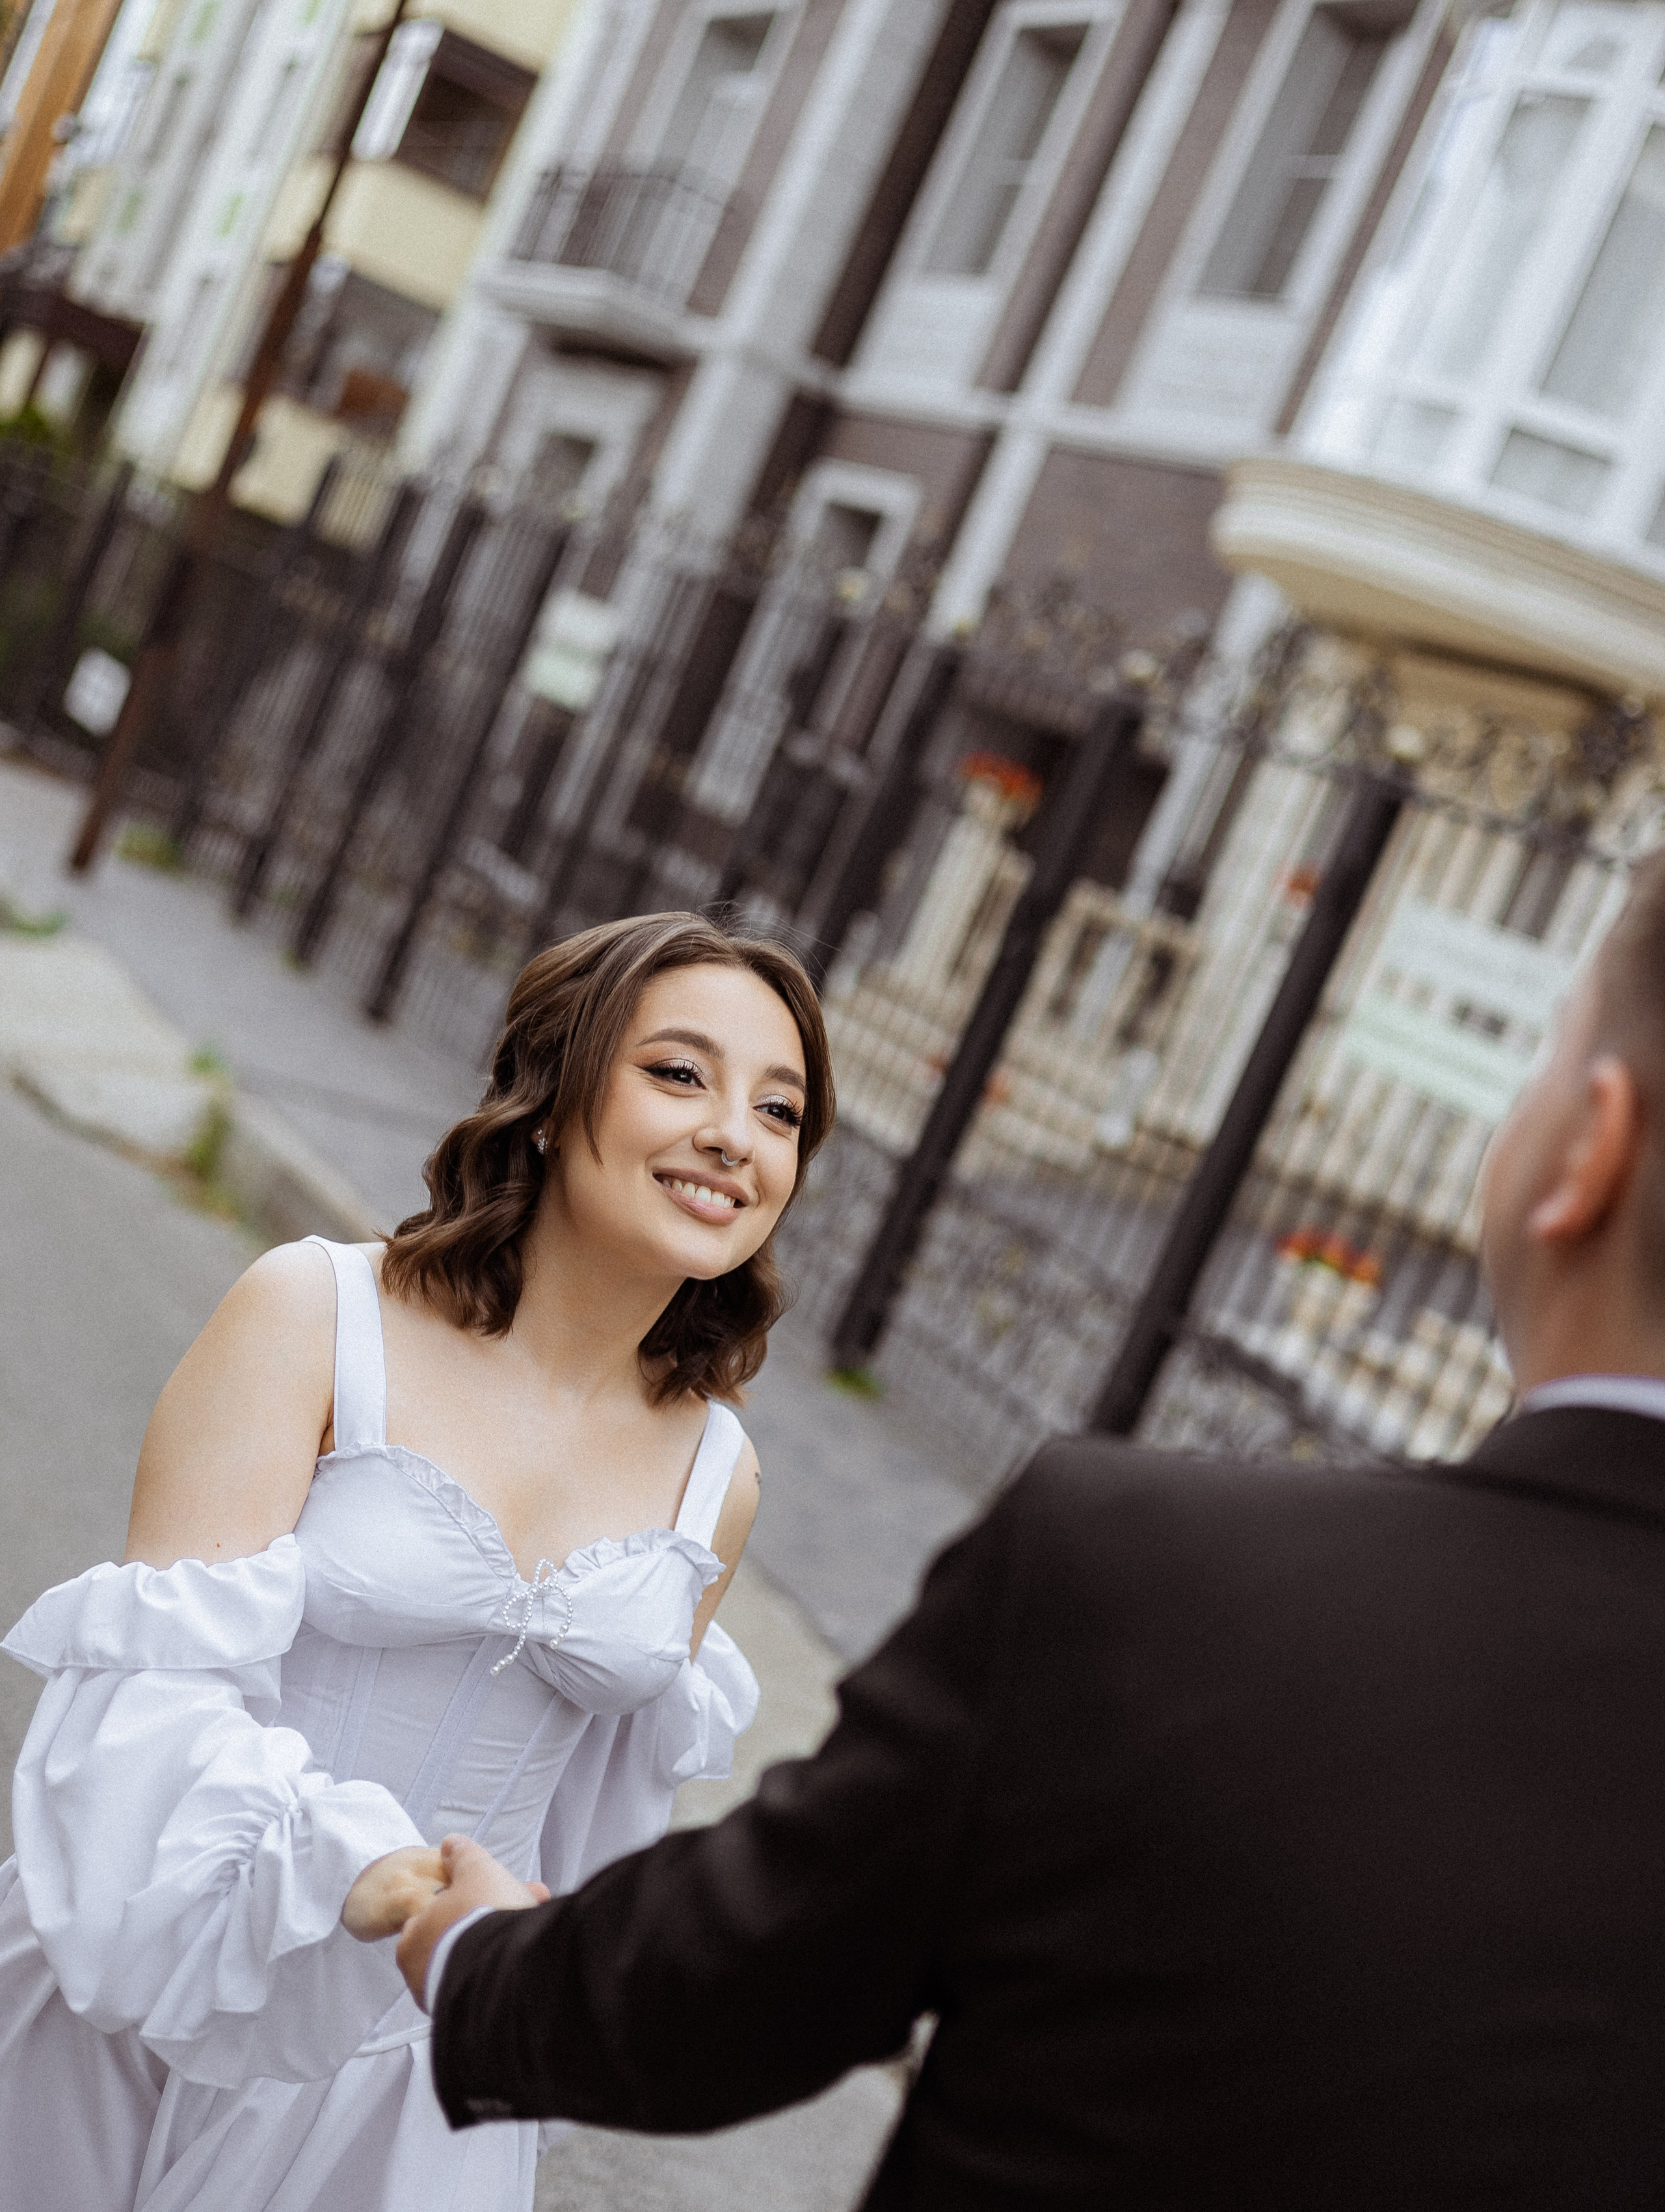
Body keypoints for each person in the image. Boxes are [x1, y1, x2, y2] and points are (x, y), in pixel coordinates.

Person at [408, 855, 1665, 2209]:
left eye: (1536, 1059)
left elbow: (746, 1973)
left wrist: (482, 1959)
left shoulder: (1156, 1576)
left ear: (1588, 1145)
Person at [0, 909, 834, 2212]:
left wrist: (536, 2002)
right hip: (163, 1972)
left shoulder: (717, 1482)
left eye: (780, 1112)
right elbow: (148, 1699)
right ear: (554, 1099)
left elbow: (599, 1829)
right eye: (679, 1074)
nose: (735, 1134)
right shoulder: (316, 1314)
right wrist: (362, 1873)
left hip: (411, 2084)